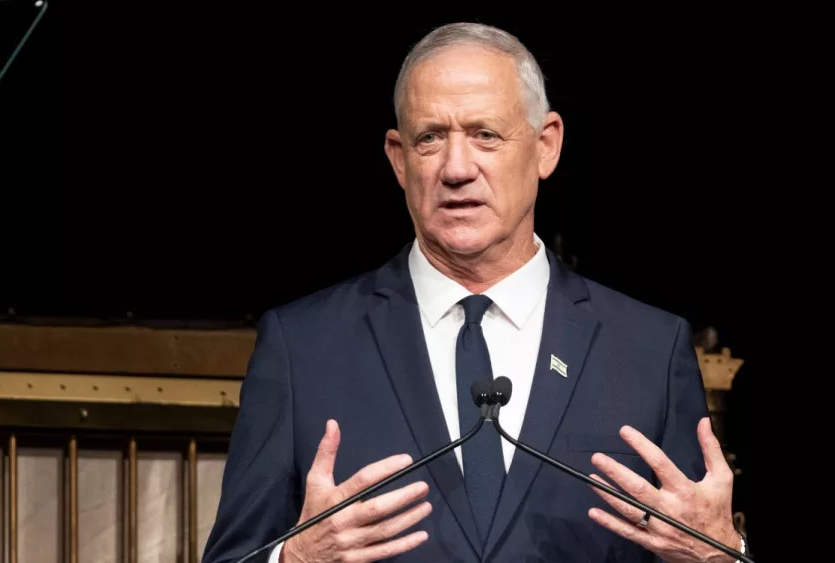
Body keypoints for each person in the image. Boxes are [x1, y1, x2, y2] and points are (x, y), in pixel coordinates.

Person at [201, 22, 748, 563]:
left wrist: (723, 556)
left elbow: (697, 541)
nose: (457, 169)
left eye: (485, 134)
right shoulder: (304, 346)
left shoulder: (648, 350)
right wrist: (295, 560)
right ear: (398, 158)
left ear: (545, 146)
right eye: (430, 138)